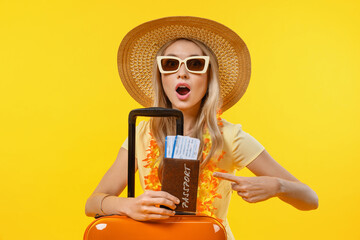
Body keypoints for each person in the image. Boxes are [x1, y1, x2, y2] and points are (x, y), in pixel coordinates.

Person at [85, 16, 318, 240]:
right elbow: (92, 203)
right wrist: (127, 205)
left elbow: (310, 199)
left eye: (196, 64)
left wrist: (278, 186)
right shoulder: (144, 133)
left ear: (208, 78)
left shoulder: (229, 136)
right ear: (161, 76)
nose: (182, 72)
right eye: (171, 63)